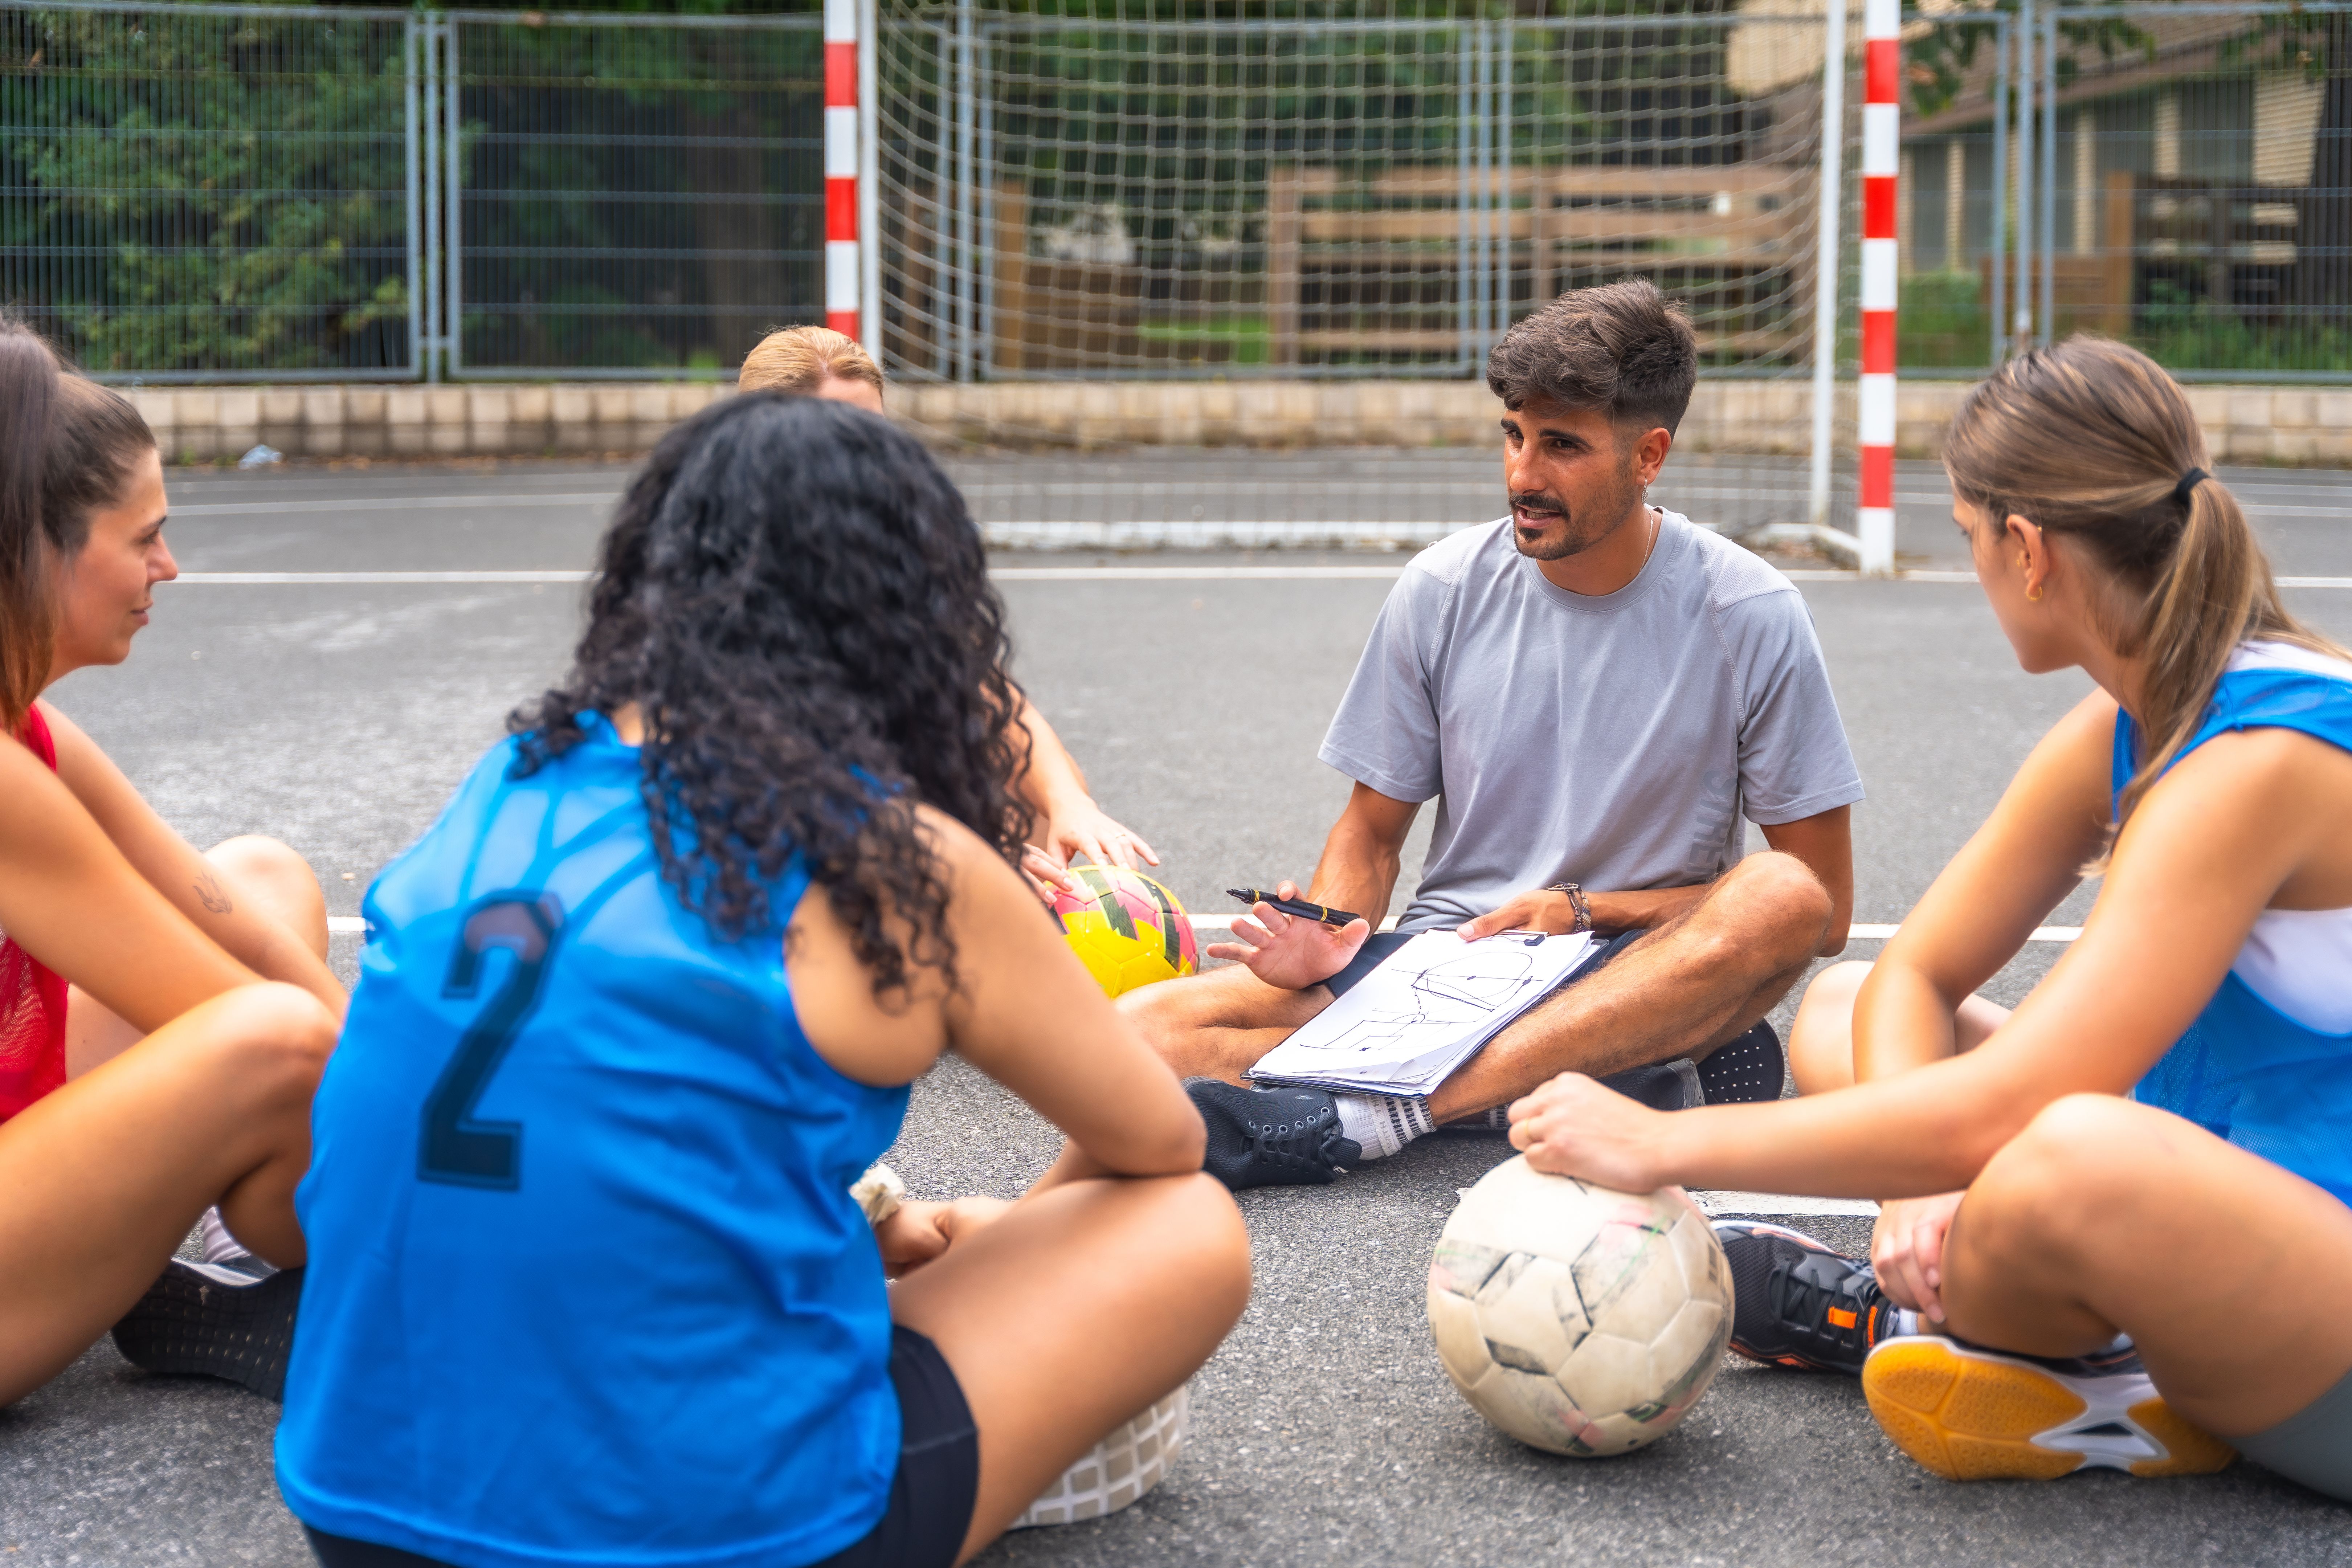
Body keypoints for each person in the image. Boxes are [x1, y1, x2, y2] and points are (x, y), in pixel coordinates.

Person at [276, 393, 1251, 1568]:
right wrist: (1006, 1249)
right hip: (721, 1535)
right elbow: (1155, 1146)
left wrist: (859, 1216)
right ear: (913, 615)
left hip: (360, 1514)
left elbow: (592, 1093)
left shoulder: (510, 779)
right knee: (1188, 1227)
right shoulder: (892, 862)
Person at [1511, 336, 2352, 1500]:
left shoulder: (2255, 765)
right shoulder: (2139, 720)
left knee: (2063, 1159)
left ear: (2028, 548)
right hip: (2244, 1190)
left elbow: (2009, 1108)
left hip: (2321, 1303)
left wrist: (1658, 1145)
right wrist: (1913, 1193)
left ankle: (2027, 1353)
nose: (1974, 570)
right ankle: (1994, 1318)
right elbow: (1912, 977)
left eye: (1965, 539)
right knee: (1849, 1006)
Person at [1122, 279, 1864, 1189]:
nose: (1523, 475)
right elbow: (1372, 830)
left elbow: (1824, 908)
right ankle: (1580, 1082)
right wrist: (1335, 929)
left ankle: (1382, 1112)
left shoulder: (1750, 612)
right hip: (1443, 966)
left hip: (1619, 967)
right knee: (1131, 1041)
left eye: (1562, 446)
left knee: (1780, 898)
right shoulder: (1441, 589)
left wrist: (1588, 909)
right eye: (1513, 435)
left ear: (1650, 455)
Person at [0, 320, 343, 1406]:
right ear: (37, 548)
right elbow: (252, 1019)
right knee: (278, 1044)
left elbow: (222, 909)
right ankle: (381, 1264)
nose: (169, 566)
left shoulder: (36, 736)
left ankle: (162, 1253)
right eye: (142, 536)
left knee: (268, 879)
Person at [736, 324, 1153, 895]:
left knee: (1027, 798)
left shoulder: (893, 534)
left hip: (861, 798)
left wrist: (1071, 804)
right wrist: (945, 855)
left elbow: (986, 690)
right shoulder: (723, 561)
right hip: (748, 814)